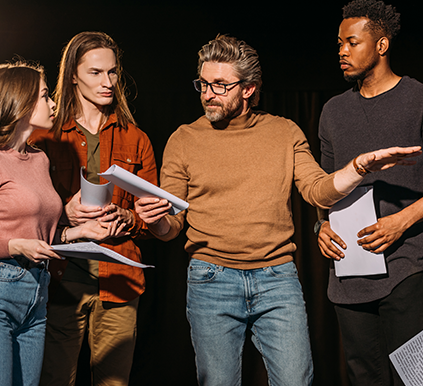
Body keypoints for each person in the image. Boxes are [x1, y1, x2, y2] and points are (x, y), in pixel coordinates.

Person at [135, 34, 420, 386]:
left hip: (276, 279)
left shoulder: (284, 132)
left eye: (220, 85)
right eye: (204, 83)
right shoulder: (184, 139)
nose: (208, 94)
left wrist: (358, 167)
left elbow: (318, 191)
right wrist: (156, 221)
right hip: (211, 280)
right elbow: (172, 227)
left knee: (296, 380)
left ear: (249, 89)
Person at [30, 32, 158, 386]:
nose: (108, 82)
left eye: (113, 73)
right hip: (60, 281)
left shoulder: (136, 138)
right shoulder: (44, 137)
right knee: (55, 379)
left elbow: (152, 220)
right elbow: (24, 216)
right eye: (96, 73)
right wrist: (65, 214)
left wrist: (129, 217)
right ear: (73, 74)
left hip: (119, 280)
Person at [0, 62, 125, 386]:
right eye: (43, 96)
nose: (53, 103)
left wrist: (77, 232)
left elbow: (40, 233)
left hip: (38, 292)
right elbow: (17, 239)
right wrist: (12, 245)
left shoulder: (39, 158)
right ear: (19, 101)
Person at [317, 0, 423, 386]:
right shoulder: (332, 111)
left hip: (407, 268)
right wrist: (321, 227)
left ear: (381, 45)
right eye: (339, 43)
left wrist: (403, 220)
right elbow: (324, 186)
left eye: (352, 42)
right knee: (364, 377)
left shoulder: (418, 99)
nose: (342, 51)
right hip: (350, 273)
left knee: (413, 376)